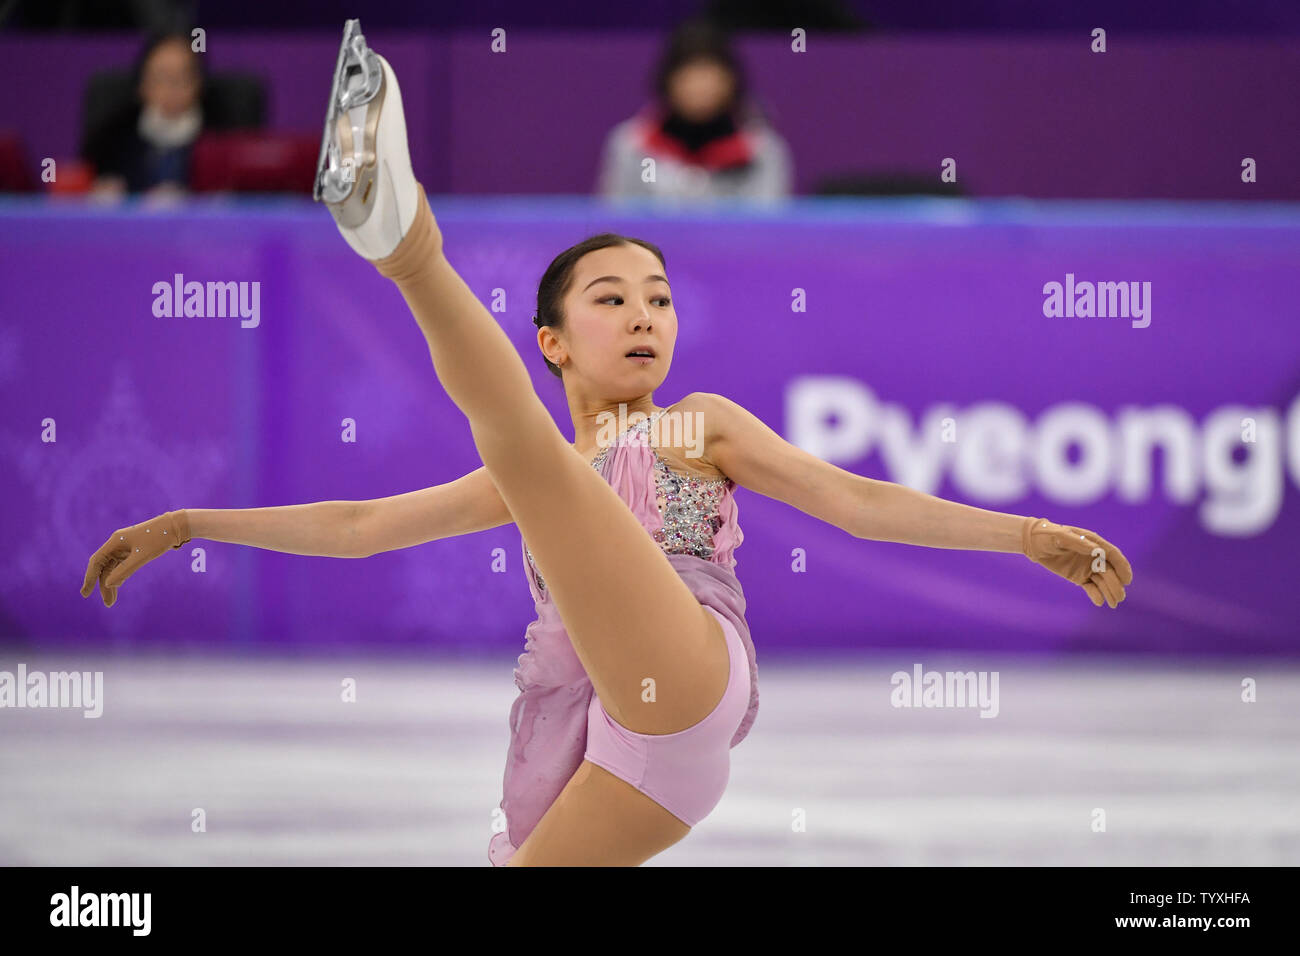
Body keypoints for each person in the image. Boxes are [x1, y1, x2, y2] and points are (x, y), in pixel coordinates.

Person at [81, 21, 1134, 867]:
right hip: (608, 742)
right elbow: (359, 525)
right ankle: (406, 245)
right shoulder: (537, 472)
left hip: (688, 682)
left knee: (535, 460)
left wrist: (1030, 532)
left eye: (661, 298)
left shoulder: (695, 426)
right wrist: (187, 520)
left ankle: (410, 251)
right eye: (611, 296)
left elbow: (856, 500)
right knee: (538, 469)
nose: (644, 315)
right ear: (551, 338)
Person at [596, 18, 793, 202]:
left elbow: (767, 227)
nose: (700, 87)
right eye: (689, 75)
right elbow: (616, 221)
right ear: (668, 80)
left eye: (710, 75)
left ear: (731, 81)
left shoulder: (762, 152)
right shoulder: (631, 146)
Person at [81, 30, 205, 199]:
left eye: (182, 78)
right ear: (142, 86)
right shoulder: (112, 139)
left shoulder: (220, 136)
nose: (172, 89)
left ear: (198, 84)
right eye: (161, 77)